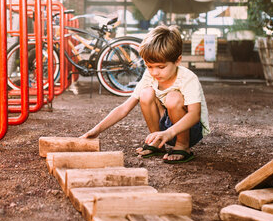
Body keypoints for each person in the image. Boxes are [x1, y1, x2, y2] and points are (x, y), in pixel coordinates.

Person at [81, 25, 210, 164]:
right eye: (149, 66)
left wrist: (169, 133)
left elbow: (194, 115)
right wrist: (97, 130)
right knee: (146, 93)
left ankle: (183, 146)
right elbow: (125, 107)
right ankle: (156, 142)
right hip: (164, 131)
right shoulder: (150, 76)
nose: (154, 72)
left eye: (161, 67)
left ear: (177, 60)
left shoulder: (187, 78)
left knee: (173, 97)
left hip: (190, 130)